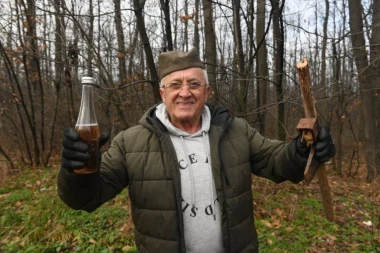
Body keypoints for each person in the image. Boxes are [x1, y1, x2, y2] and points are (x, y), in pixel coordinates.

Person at [58, 48, 335, 253]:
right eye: (175, 84)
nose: (185, 92)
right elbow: (86, 198)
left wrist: (303, 149)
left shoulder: (235, 130)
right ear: (162, 93)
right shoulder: (131, 143)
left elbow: (277, 162)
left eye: (194, 84)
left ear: (207, 91)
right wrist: (76, 171)